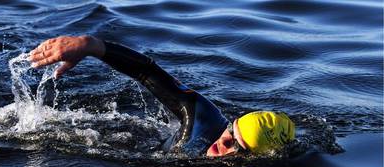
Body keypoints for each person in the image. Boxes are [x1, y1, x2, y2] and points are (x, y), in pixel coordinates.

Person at [29, 35, 295, 157]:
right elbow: (148, 73)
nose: (221, 145)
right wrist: (90, 46)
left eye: (238, 148)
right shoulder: (203, 117)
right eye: (229, 135)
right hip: (141, 142)